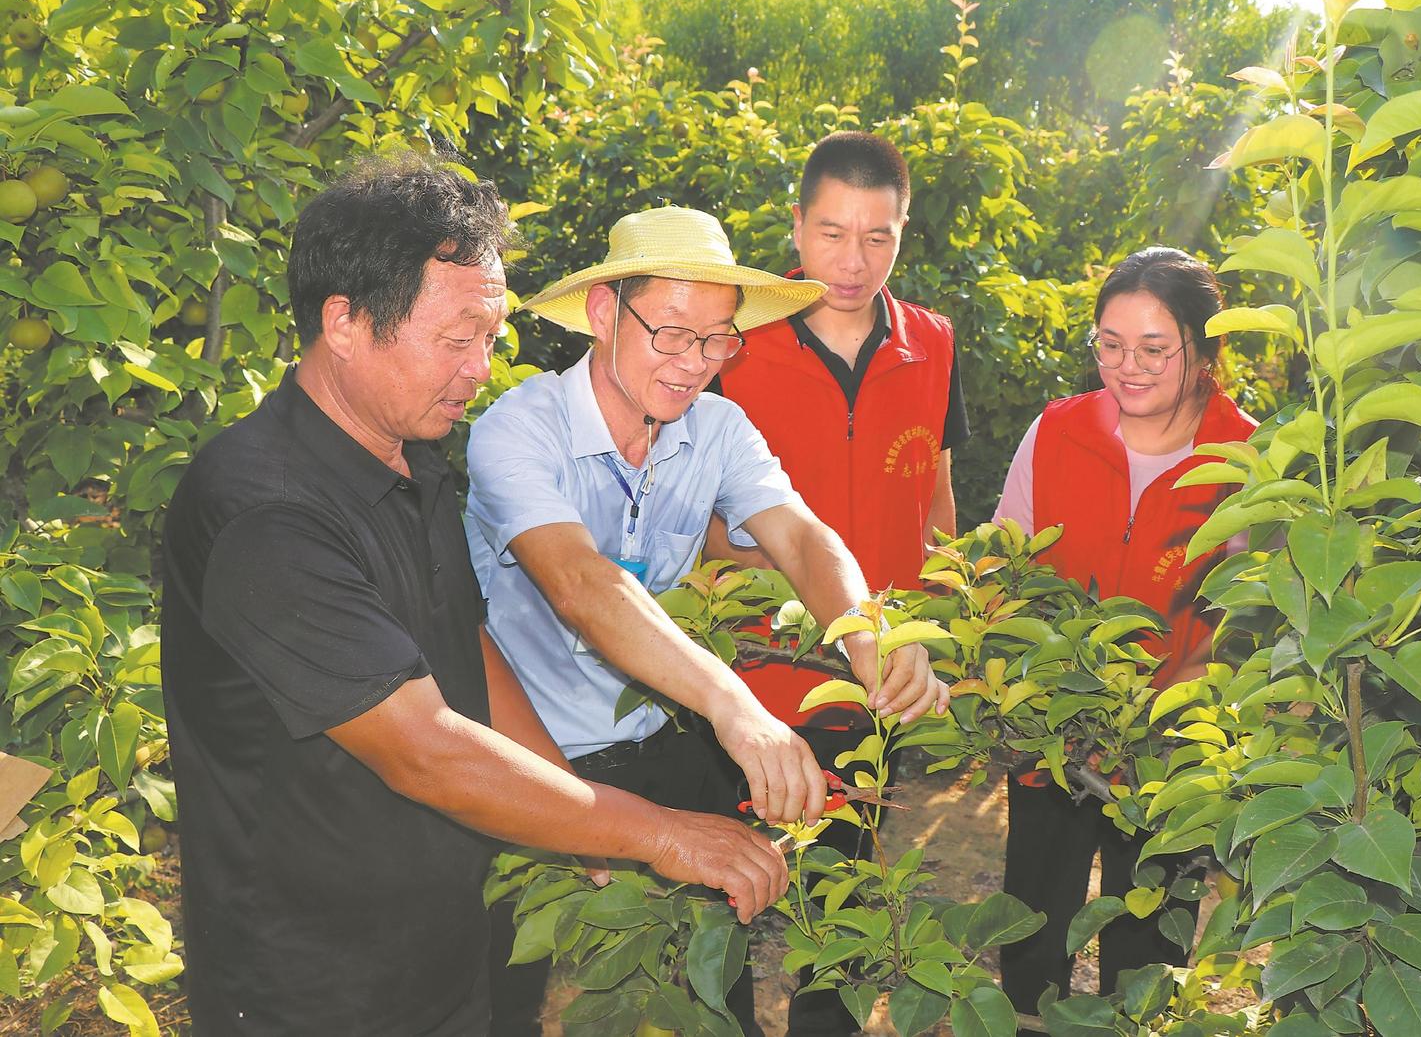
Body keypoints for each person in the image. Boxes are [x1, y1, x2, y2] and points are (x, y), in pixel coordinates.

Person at [160, 158, 791, 1036]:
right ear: (343, 320)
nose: (480, 369)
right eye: (456, 339)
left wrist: (571, 803)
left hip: (442, 951)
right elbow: (426, 750)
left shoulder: (411, 456)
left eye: (490, 337)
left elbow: (466, 647)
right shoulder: (263, 512)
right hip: (311, 984)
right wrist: (656, 832)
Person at [465, 205, 951, 1034]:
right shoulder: (519, 428)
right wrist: (735, 705)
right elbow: (581, 583)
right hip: (529, 755)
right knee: (499, 992)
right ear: (602, 313)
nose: (695, 364)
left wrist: (868, 639)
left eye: (718, 339)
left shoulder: (716, 428)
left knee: (712, 989)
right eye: (672, 334)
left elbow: (801, 535)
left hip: (658, 736)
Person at [710, 131, 966, 1036]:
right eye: (830, 234)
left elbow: (935, 500)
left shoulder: (932, 345)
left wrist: (940, 630)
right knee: (725, 896)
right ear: (796, 225)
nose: (852, 262)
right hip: (749, 673)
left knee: (846, 897)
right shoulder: (733, 344)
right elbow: (701, 517)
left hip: (869, 675)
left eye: (878, 236)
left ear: (904, 231)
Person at [991, 247, 1256, 1021]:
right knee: (1032, 940)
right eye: (1109, 344)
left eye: (1153, 349)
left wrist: (1170, 707)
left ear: (1204, 354)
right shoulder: (1057, 432)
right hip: (1051, 742)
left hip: (1165, 756)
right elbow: (1005, 576)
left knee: (1145, 960)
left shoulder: (1241, 456)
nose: (1126, 367)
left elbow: (1248, 620)